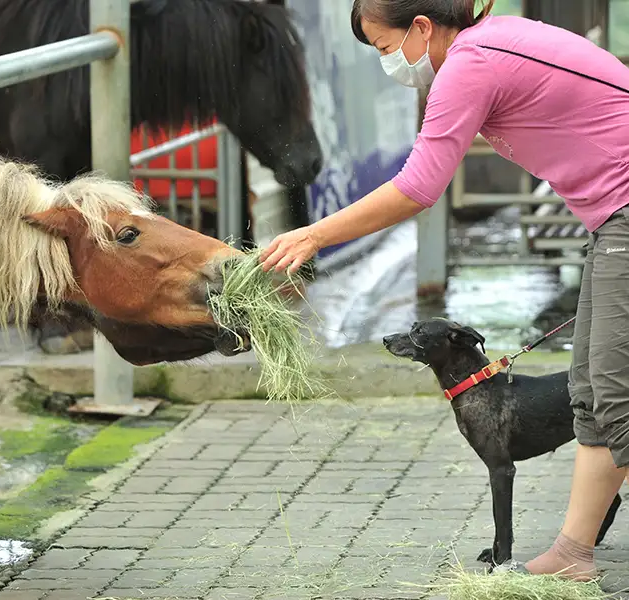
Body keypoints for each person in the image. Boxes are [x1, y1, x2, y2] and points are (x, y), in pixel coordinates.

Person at [259, 0, 629, 582]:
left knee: (614, 394)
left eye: (385, 48)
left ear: (422, 28)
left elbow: (418, 186)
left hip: (625, 215)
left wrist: (315, 234)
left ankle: (574, 553)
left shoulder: (468, 64)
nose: (389, 63)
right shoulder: (498, 38)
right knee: (594, 389)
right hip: (611, 220)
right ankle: (573, 553)